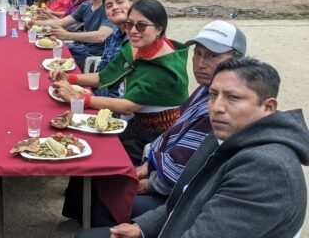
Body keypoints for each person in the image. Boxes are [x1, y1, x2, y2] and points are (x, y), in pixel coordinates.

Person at [84, 57, 309, 238]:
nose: (216, 107)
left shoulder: (266, 169)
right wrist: (142, 229)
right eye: (213, 95)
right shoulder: (222, 137)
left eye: (233, 97)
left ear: (268, 106)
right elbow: (185, 199)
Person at [92, 21, 248, 227]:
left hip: (184, 197)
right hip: (159, 165)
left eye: (212, 56)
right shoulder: (204, 90)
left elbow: (195, 169)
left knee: (109, 195)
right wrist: (148, 167)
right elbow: (174, 135)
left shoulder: (224, 106)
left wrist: (149, 183)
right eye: (198, 53)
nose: (201, 63)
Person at [50, 0, 189, 164]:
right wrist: (71, 78)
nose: (133, 31)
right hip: (137, 123)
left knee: (99, 155)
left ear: (159, 28)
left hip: (158, 137)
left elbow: (127, 105)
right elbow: (104, 76)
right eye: (129, 24)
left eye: (142, 25)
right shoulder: (139, 47)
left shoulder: (164, 68)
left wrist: (78, 97)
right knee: (88, 141)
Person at [31, 0, 115, 70]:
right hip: (80, 49)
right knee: (40, 57)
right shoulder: (86, 5)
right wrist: (33, 22)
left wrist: (67, 35)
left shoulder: (110, 8)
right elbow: (62, 22)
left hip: (95, 58)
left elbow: (100, 36)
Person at [94, 0, 132, 96]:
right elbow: (102, 69)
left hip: (119, 100)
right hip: (101, 89)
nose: (115, 7)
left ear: (131, 4)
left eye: (120, 2)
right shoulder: (112, 36)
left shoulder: (138, 38)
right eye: (109, 6)